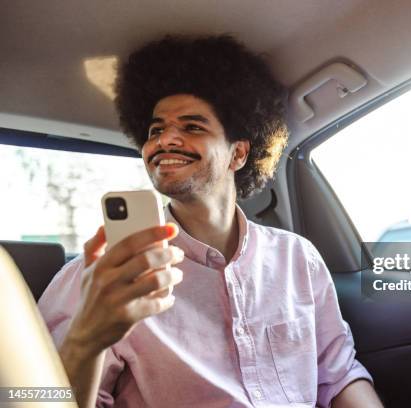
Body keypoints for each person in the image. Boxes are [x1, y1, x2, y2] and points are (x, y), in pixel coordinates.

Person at [38, 35, 382, 408]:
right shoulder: (104, 274)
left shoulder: (298, 258)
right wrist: (86, 341)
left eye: (192, 127)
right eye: (155, 130)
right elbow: (29, 397)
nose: (165, 139)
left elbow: (338, 374)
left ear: (238, 154)